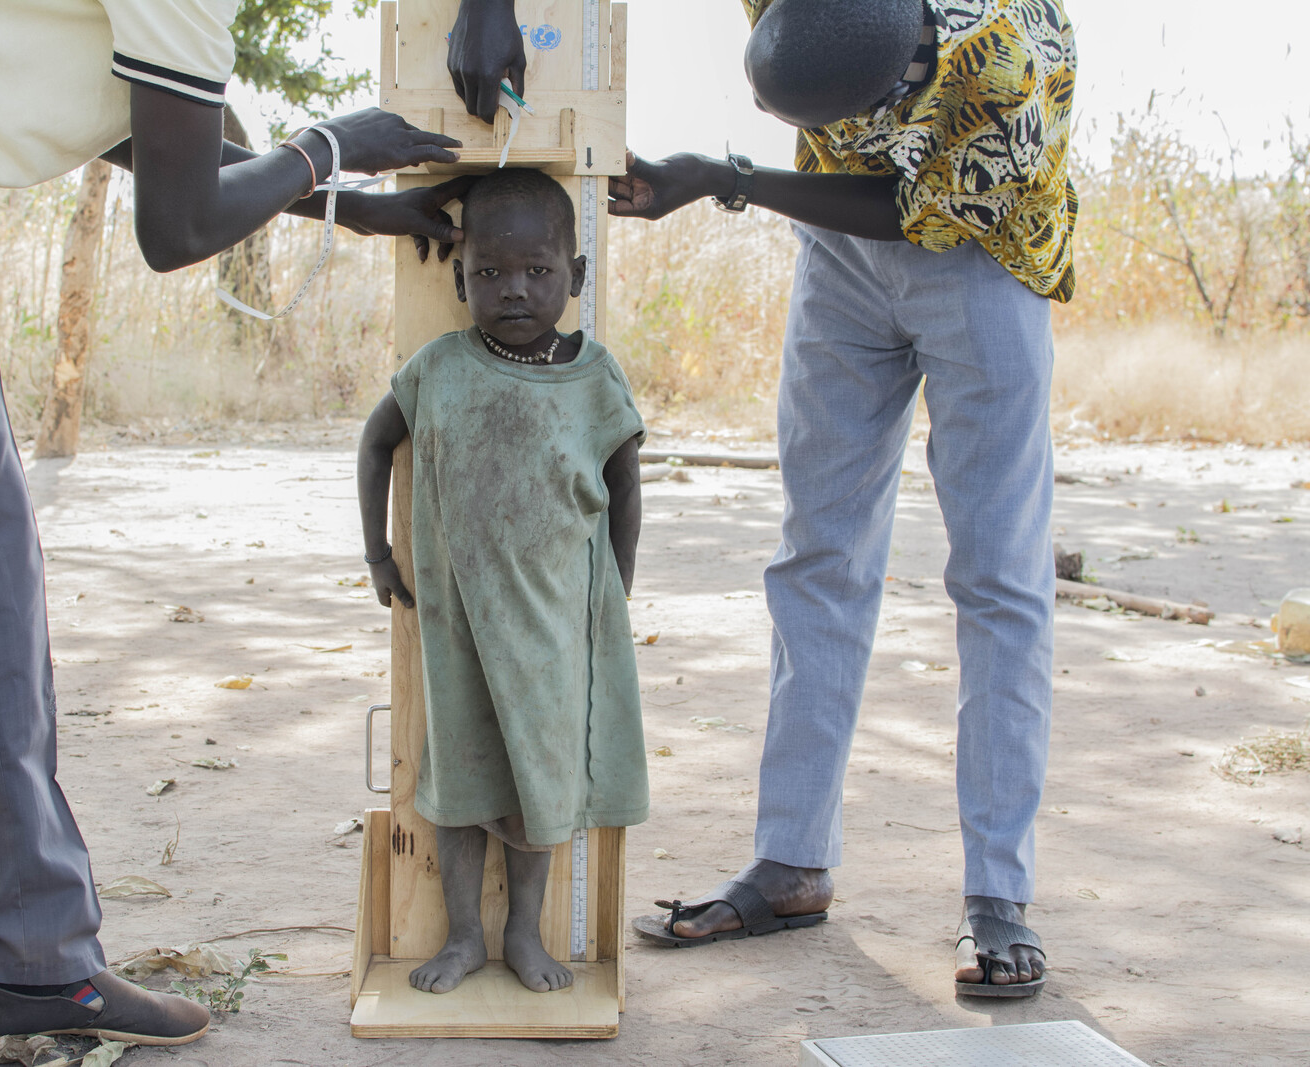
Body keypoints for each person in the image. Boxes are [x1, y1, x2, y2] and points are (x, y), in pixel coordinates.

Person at [0, 2, 472, 1063]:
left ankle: (30, 958)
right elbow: (180, 225)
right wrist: (330, 145)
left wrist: (345, 201)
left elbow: (160, 134)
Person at [448, 0, 1076, 997]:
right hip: (841, 261)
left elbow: (911, 205)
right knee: (816, 555)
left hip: (981, 257)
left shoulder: (1001, 61)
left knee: (996, 577)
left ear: (911, 62)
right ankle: (791, 863)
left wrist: (726, 181)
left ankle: (997, 896)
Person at [357, 168, 648, 996]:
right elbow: (376, 445)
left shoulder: (595, 376)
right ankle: (462, 937)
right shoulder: (439, 369)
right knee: (457, 785)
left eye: (538, 271)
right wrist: (378, 554)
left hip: (555, 628)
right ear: (459, 277)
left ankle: (524, 931)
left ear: (575, 277)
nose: (513, 290)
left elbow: (625, 484)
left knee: (537, 784)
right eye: (488, 273)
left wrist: (615, 594)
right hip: (456, 628)